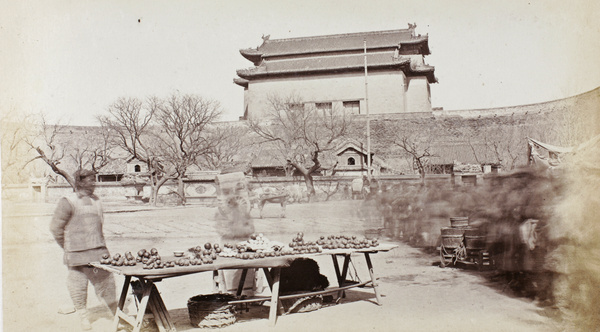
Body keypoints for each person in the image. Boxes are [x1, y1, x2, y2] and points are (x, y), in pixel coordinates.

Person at [50, 169, 116, 330]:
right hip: (76, 255)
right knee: (78, 287)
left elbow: (99, 226)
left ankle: (117, 316)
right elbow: (55, 228)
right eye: (89, 181)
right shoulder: (68, 201)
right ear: (79, 182)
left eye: (94, 180)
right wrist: (68, 247)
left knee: (107, 285)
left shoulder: (97, 201)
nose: (93, 184)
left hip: (99, 253)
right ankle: (84, 318)